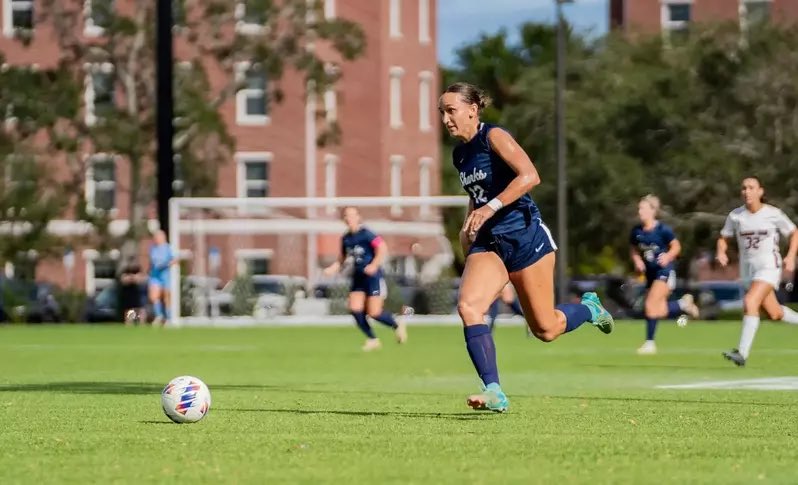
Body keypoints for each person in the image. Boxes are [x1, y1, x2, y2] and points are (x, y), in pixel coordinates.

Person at [440, 82, 614, 413]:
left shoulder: (494, 137)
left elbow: (530, 176)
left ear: (472, 110)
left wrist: (489, 208)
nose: (446, 118)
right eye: (442, 113)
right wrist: (469, 225)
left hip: (526, 239)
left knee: (546, 329)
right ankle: (493, 391)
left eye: (451, 110)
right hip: (490, 242)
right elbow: (476, 193)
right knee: (469, 307)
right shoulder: (459, 154)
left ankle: (590, 309)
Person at [716, 176, 798, 366]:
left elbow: (794, 233)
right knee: (774, 313)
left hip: (769, 266)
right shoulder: (736, 216)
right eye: (744, 188)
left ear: (760, 191)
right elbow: (723, 237)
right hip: (748, 270)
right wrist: (721, 251)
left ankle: (742, 353)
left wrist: (791, 255)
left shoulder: (773, 214)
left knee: (750, 301)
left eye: (751, 187)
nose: (747, 191)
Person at [323, 206, 407, 351]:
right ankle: (372, 339)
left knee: (374, 313)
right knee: (354, 308)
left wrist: (374, 265)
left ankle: (396, 324)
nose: (349, 219)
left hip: (373, 277)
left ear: (358, 217)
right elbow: (342, 259)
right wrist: (333, 268)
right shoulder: (346, 238)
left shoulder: (367, 234)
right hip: (358, 277)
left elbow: (382, 248)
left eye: (351, 215)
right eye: (346, 216)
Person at [629, 195, 699, 355]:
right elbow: (633, 248)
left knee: (649, 305)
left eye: (643, 208)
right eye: (639, 208)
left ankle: (650, 343)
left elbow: (676, 246)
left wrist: (668, 256)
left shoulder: (663, 230)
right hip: (650, 274)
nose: (640, 211)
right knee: (656, 310)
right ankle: (682, 305)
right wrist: (637, 261)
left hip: (665, 272)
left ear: (653, 210)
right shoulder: (636, 231)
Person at [148, 230, 176, 325]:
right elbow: (153, 262)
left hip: (165, 276)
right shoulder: (153, 248)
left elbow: (174, 259)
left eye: (158, 237)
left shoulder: (168, 248)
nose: (156, 239)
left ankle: (168, 318)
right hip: (155, 276)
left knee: (166, 297)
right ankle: (159, 316)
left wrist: (167, 264)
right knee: (154, 296)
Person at [119, 257, 147, 325]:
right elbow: (123, 280)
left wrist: (134, 278)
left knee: (141, 309)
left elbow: (141, 279)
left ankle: (141, 323)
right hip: (129, 293)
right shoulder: (125, 271)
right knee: (129, 310)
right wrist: (132, 278)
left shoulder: (139, 270)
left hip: (139, 293)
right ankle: (129, 323)